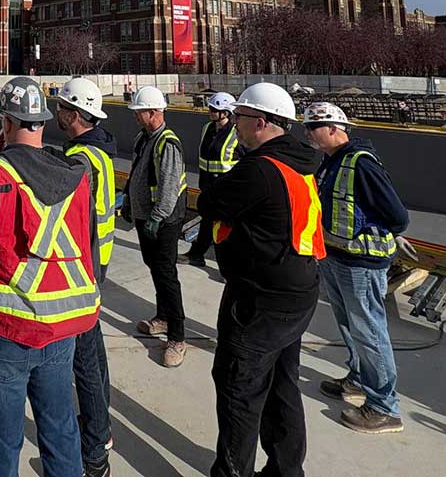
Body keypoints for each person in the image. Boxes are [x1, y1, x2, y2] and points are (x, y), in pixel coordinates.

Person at [0, 76, 100, 477]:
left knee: (2, 443)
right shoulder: (77, 176)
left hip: (3, 334)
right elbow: (89, 250)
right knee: (60, 431)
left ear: (6, 123)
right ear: (43, 121)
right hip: (61, 333)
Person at [196, 82, 324, 477]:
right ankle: (287, 469)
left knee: (240, 390)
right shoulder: (300, 162)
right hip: (297, 292)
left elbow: (208, 202)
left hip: (259, 300)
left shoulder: (259, 170)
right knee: (283, 384)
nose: (235, 124)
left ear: (263, 122)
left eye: (241, 118)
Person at [304, 101, 411, 435]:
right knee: (350, 325)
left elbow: (398, 216)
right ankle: (359, 377)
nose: (307, 133)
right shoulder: (330, 162)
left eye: (313, 127)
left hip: (361, 264)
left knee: (369, 330)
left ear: (335, 129)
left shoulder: (361, 164)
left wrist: (370, 233)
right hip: (336, 257)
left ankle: (384, 407)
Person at [54, 76, 117, 477]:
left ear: (74, 115)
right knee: (93, 353)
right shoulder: (96, 151)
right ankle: (102, 430)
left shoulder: (80, 162)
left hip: (82, 269)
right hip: (98, 264)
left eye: (61, 109)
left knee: (84, 363)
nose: (56, 114)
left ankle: (94, 453)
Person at [120, 85, 189, 368]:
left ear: (153, 112)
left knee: (166, 275)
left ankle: (177, 336)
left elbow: (169, 188)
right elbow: (137, 171)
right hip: (145, 218)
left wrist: (157, 218)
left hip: (162, 222)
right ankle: (163, 317)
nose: (136, 117)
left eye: (139, 112)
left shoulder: (167, 143)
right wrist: (127, 199)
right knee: (156, 270)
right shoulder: (143, 138)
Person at [186, 92, 241, 267]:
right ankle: (197, 254)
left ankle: (227, 266)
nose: (210, 112)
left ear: (225, 112)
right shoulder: (207, 128)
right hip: (208, 186)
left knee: (224, 229)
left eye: (214, 109)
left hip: (226, 190)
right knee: (207, 222)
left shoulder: (235, 133)